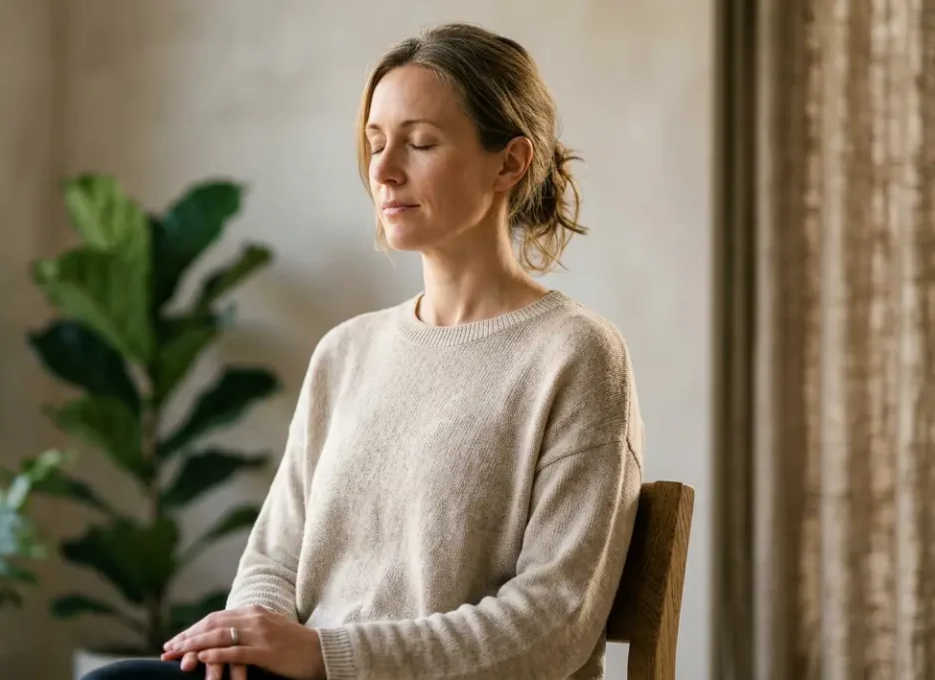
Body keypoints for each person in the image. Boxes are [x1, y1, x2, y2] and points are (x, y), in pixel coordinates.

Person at [86, 21, 643, 680]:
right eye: (376, 142)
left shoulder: (574, 355)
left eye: (421, 143)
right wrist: (245, 651)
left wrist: (327, 656)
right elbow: (271, 562)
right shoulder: (345, 352)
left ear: (510, 162)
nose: (383, 170)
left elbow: (554, 619)